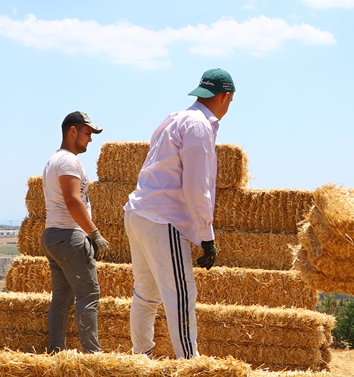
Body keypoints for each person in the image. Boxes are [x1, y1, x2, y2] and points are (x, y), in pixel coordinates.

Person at [122, 68, 235, 359]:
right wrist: (206, 236)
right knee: (181, 295)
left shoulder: (173, 118)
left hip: (139, 211)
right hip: (163, 218)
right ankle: (190, 366)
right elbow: (196, 187)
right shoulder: (198, 127)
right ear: (226, 97)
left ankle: (140, 357)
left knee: (146, 294)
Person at [41, 111, 109, 353]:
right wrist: (94, 233)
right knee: (89, 294)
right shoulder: (69, 161)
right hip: (69, 236)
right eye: (87, 133)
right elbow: (72, 200)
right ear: (73, 131)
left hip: (53, 235)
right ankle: (93, 354)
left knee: (61, 299)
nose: (90, 139)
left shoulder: (53, 160)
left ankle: (55, 351)